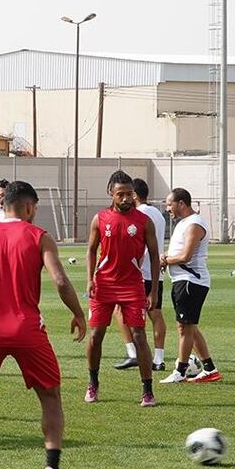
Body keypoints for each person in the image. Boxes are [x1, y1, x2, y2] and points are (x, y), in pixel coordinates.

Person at [0, 181, 86, 469]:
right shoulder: (39, 236)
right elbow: (60, 280)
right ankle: (51, 468)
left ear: (4, 205)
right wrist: (79, 314)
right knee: (50, 396)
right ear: (28, 207)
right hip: (28, 329)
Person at [84, 171, 160, 406]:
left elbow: (155, 256)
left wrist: (154, 291)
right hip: (104, 284)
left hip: (132, 285)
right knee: (96, 335)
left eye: (129, 194)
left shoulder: (144, 221)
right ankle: (93, 383)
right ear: (111, 193)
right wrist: (89, 279)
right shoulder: (100, 219)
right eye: (121, 194)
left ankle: (147, 391)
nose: (126, 198)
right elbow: (91, 250)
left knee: (139, 336)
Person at [160, 188, 220, 383]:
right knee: (188, 326)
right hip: (182, 280)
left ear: (181, 203)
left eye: (170, 204)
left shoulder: (195, 224)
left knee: (184, 328)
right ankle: (209, 368)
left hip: (191, 281)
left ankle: (180, 371)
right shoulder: (184, 223)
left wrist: (165, 260)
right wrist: (166, 257)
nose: (167, 208)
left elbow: (186, 256)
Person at [113, 178, 168, 370]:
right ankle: (159, 359)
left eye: (128, 193)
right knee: (156, 314)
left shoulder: (138, 215)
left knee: (120, 310)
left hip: (138, 272)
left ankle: (133, 353)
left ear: (134, 195)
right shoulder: (159, 214)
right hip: (155, 272)